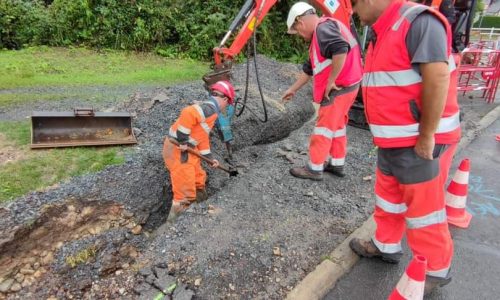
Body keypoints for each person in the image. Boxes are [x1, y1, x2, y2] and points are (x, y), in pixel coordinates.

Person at [348, 0, 461, 295]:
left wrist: (426, 136)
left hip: (416, 141)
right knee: (389, 200)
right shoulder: (382, 31)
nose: (354, 12)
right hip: (392, 139)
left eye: (355, 5)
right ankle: (385, 245)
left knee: (424, 211)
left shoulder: (418, 22)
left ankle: (433, 270)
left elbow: (438, 78)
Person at [282, 2, 363, 181]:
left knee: (324, 129)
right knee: (338, 126)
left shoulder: (322, 30)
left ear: (300, 23)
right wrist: (292, 90)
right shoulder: (324, 31)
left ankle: (314, 167)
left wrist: (331, 81)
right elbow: (310, 68)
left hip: (338, 88)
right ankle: (337, 164)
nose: (301, 36)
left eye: (298, 32)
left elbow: (340, 49)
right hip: (350, 85)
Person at [162, 81, 235, 215]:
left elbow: (202, 136)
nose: (226, 107)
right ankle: (177, 223)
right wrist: (183, 140)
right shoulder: (210, 108)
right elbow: (188, 112)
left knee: (198, 178)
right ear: (225, 99)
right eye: (228, 104)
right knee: (184, 191)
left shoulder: (211, 112)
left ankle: (201, 204)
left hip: (189, 150)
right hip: (178, 150)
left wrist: (209, 158)